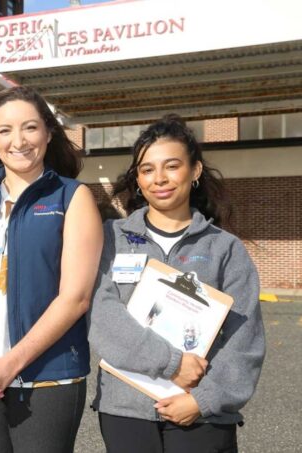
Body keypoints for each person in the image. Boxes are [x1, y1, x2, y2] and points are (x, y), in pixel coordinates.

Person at [89, 114, 265, 453]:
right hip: (126, 409)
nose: (159, 178)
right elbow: (101, 316)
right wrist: (172, 363)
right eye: (147, 169)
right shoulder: (111, 239)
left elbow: (245, 339)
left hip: (202, 413)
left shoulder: (225, 248)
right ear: (138, 179)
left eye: (171, 166)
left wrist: (204, 399)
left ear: (195, 171)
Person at [0, 85, 103, 452]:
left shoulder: (72, 197)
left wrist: (9, 364)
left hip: (48, 378)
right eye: (5, 130)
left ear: (48, 133)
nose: (18, 140)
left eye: (30, 127)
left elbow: (76, 298)